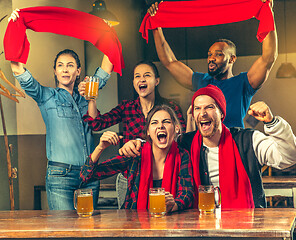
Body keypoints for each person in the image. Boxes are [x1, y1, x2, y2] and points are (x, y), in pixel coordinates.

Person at [119, 85, 296, 208]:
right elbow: (159, 146)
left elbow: (290, 157)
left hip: (248, 225)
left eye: (209, 107)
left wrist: (272, 122)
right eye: (197, 108)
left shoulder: (248, 140)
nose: (202, 113)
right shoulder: (185, 143)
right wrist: (138, 143)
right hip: (200, 226)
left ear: (221, 112)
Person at [8, 9, 113, 210]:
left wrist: (107, 34)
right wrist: (16, 26)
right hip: (59, 176)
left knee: (89, 229)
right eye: (61, 66)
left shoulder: (89, 90)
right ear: (55, 71)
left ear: (78, 71)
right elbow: (17, 69)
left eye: (70, 65)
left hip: (90, 173)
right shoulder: (45, 95)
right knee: (63, 230)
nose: (65, 69)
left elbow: (108, 65)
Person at [147, 0, 277, 128]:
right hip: (207, 146)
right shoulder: (202, 81)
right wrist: (156, 25)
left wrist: (268, 14)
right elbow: (169, 62)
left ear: (232, 59)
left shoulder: (243, 83)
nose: (211, 58)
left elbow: (268, 58)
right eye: (209, 55)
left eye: (218, 54)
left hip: (235, 143)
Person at [78, 60, 187, 207]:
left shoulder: (169, 108)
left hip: (164, 171)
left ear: (156, 81)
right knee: (131, 216)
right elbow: (97, 124)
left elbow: (180, 139)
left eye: (147, 75)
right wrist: (91, 99)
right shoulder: (126, 107)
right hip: (131, 173)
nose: (141, 79)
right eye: (137, 76)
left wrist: (140, 142)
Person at [80, 105, 194, 211]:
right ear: (148, 131)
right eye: (154, 123)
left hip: (170, 222)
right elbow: (86, 176)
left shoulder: (183, 155)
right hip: (135, 222)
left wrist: (173, 205)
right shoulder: (135, 153)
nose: (160, 126)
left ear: (176, 128)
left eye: (166, 122)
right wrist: (100, 147)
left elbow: (187, 192)